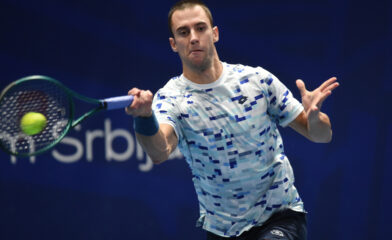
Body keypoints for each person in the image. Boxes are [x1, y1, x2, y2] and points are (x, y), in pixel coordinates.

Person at [125, 0, 339, 239]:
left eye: (200, 28)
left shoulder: (257, 80)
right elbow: (159, 151)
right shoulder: (171, 98)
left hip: (280, 218)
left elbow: (321, 135)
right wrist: (144, 117)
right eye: (183, 32)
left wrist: (315, 118)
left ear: (214, 33)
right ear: (174, 44)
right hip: (221, 230)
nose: (193, 37)